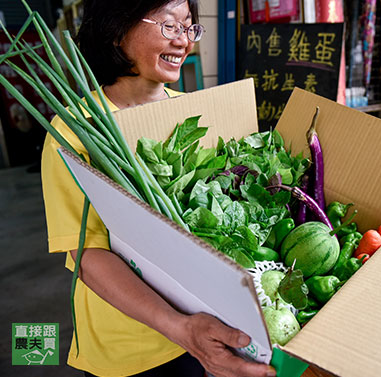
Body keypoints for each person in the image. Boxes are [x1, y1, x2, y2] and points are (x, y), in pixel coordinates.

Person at [41, 1, 276, 376]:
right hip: (130, 347)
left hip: (208, 328)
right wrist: (179, 328)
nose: (184, 41)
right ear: (117, 31)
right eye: (170, 27)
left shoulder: (193, 115)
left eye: (189, 27)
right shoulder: (76, 131)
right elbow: (88, 254)